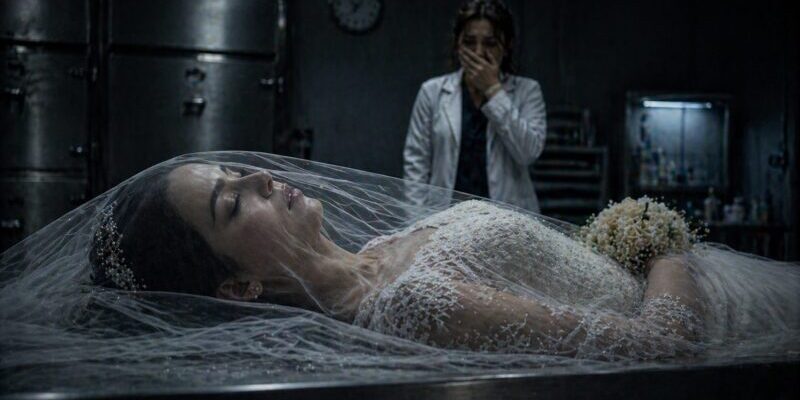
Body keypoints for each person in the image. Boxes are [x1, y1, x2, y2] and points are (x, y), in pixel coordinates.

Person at [1, 152, 798, 394]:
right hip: (736, 325)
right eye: (232, 205)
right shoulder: (414, 304)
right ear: (237, 288)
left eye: (238, 172)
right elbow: (667, 350)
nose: (261, 179)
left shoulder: (385, 246)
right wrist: (660, 242)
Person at [404, 0, 546, 211]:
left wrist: (493, 90)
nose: (478, 52)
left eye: (490, 43)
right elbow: (416, 166)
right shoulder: (432, 92)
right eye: (469, 42)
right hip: (444, 218)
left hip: (508, 219)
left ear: (506, 46)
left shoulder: (527, 91)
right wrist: (416, 223)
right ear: (457, 44)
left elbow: (528, 153)